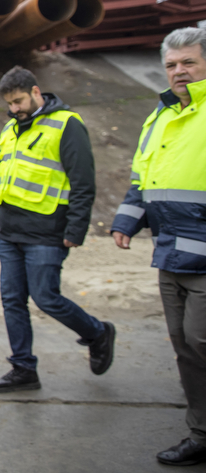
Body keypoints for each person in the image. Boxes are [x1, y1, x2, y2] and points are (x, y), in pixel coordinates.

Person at [0, 66, 115, 393]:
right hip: (11, 232)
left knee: (46, 297)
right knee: (12, 299)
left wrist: (75, 229)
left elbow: (83, 182)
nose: (15, 109)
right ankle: (24, 368)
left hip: (48, 232)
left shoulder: (67, 124)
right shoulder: (11, 129)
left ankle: (98, 333)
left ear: (36, 92)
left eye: (19, 101)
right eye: (10, 104)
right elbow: (0, 176)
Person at [110, 27, 206, 467]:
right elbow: (142, 177)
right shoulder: (161, 116)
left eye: (188, 62)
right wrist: (127, 222)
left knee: (198, 341)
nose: (179, 72)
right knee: (184, 346)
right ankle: (201, 431)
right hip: (171, 252)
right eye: (171, 65)